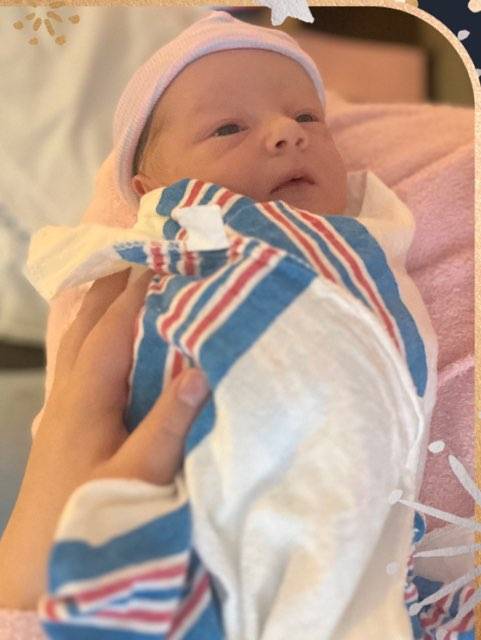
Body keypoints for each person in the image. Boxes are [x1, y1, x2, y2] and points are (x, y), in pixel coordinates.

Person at [4, 11, 475, 639]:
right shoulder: (179, 236)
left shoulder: (370, 231)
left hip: (357, 505)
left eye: (308, 117)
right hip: (205, 461)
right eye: (228, 128)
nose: (287, 133)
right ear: (150, 188)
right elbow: (79, 268)